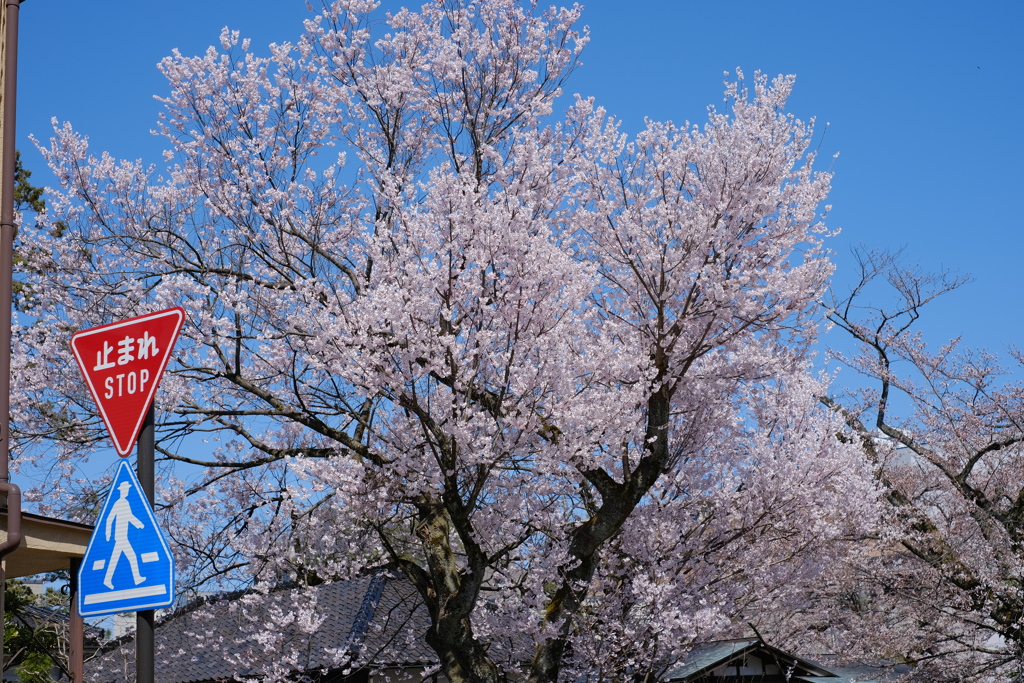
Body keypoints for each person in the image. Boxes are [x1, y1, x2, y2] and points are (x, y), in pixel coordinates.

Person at [103, 481, 146, 589]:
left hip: (122, 536)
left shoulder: (123, 502)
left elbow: (129, 516)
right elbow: (109, 518)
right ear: (122, 491)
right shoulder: (121, 502)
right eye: (125, 489)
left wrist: (138, 524)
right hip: (120, 536)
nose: (127, 491)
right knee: (131, 557)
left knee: (116, 558)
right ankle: (136, 578)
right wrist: (107, 533)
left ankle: (108, 580)